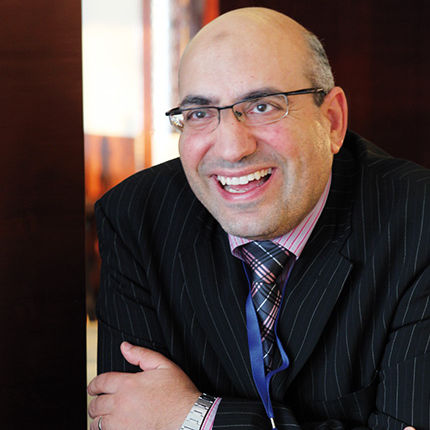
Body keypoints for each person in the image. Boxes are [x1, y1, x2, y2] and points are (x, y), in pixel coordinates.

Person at [87, 7, 429, 430]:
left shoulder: (419, 222)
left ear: (332, 121)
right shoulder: (136, 218)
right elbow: (130, 418)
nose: (232, 149)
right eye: (199, 113)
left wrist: (199, 417)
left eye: (263, 106)